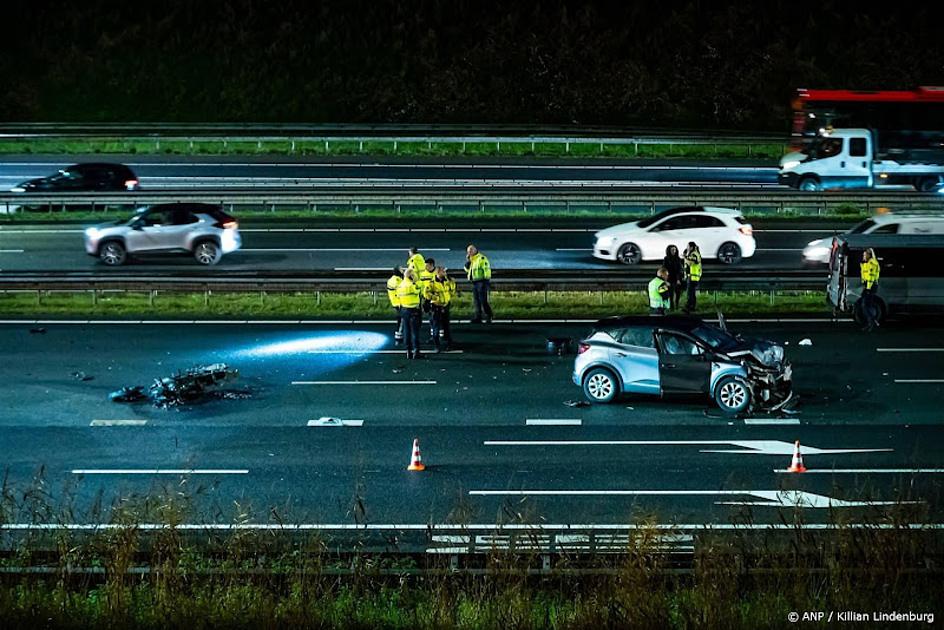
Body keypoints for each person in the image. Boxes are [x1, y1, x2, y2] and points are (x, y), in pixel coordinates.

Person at [425, 266, 457, 351]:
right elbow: (426, 294)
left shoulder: (447, 281)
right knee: (436, 327)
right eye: (443, 271)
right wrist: (435, 298)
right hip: (436, 307)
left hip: (445, 306)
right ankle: (437, 346)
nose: (445, 273)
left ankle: (449, 344)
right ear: (438, 273)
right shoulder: (431, 283)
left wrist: (452, 285)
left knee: (446, 326)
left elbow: (452, 291)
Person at [396, 269, 423, 359]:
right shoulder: (411, 286)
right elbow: (419, 289)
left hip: (404, 309)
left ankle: (408, 351)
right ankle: (416, 351)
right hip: (414, 310)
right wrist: (417, 280)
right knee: (415, 332)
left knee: (406, 331)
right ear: (411, 276)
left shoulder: (400, 286)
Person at [465, 244, 493, 324]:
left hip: (481, 281)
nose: (469, 253)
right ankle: (478, 317)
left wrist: (486, 281)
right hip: (474, 282)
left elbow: (486, 270)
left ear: (475, 250)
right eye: (468, 251)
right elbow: (468, 270)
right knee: (476, 301)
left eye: (470, 251)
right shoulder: (472, 259)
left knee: (483, 300)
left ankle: (489, 315)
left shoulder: (481, 258)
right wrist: (468, 262)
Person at [859, 247, 881, 332]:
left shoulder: (872, 264)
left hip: (871, 286)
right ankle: (872, 322)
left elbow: (871, 277)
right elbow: (864, 275)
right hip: (868, 286)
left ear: (869, 255)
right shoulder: (867, 263)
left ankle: (871, 322)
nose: (863, 256)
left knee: (865, 305)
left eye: (865, 255)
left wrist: (868, 288)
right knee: (867, 305)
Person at [385, 266, 404, 346]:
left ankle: (399, 338)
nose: (403, 270)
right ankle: (399, 339)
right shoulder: (397, 281)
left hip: (396, 303)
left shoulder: (392, 280)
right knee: (401, 321)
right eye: (401, 269)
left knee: (401, 320)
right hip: (400, 303)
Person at [662, 245, 684, 310]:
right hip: (669, 278)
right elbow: (664, 269)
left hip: (677, 278)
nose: (674, 251)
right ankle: (671, 306)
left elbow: (679, 269)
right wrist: (666, 280)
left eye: (675, 250)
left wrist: (678, 279)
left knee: (678, 292)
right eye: (672, 250)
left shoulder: (678, 259)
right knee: (670, 293)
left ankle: (677, 304)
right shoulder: (666, 259)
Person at [683, 242, 702, 313]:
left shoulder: (694, 254)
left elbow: (691, 263)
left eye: (688, 246)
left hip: (693, 277)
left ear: (691, 247)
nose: (687, 247)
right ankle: (691, 307)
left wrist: (685, 257)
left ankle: (689, 307)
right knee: (691, 293)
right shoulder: (693, 254)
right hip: (692, 277)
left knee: (690, 293)